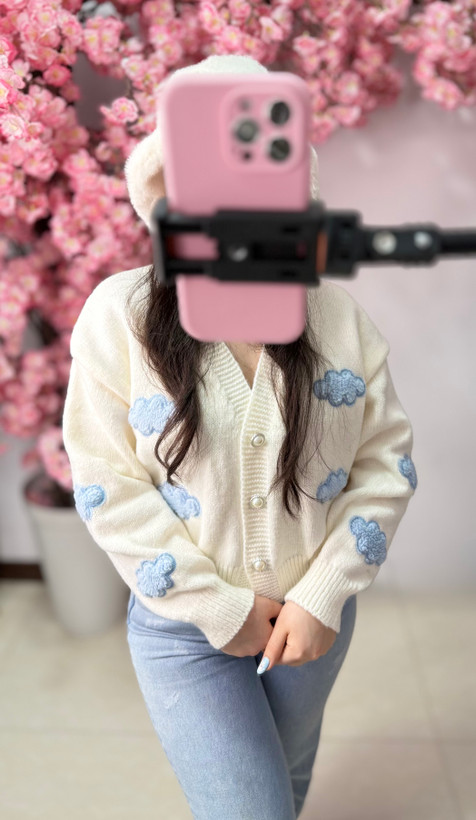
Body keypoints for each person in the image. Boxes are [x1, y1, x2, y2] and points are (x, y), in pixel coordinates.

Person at [62, 55, 418, 820]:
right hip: (183, 625)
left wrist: (323, 595)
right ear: (166, 193)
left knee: (287, 782)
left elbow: (385, 464)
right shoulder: (120, 316)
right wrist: (219, 609)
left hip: (312, 621)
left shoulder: (339, 322)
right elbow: (103, 480)